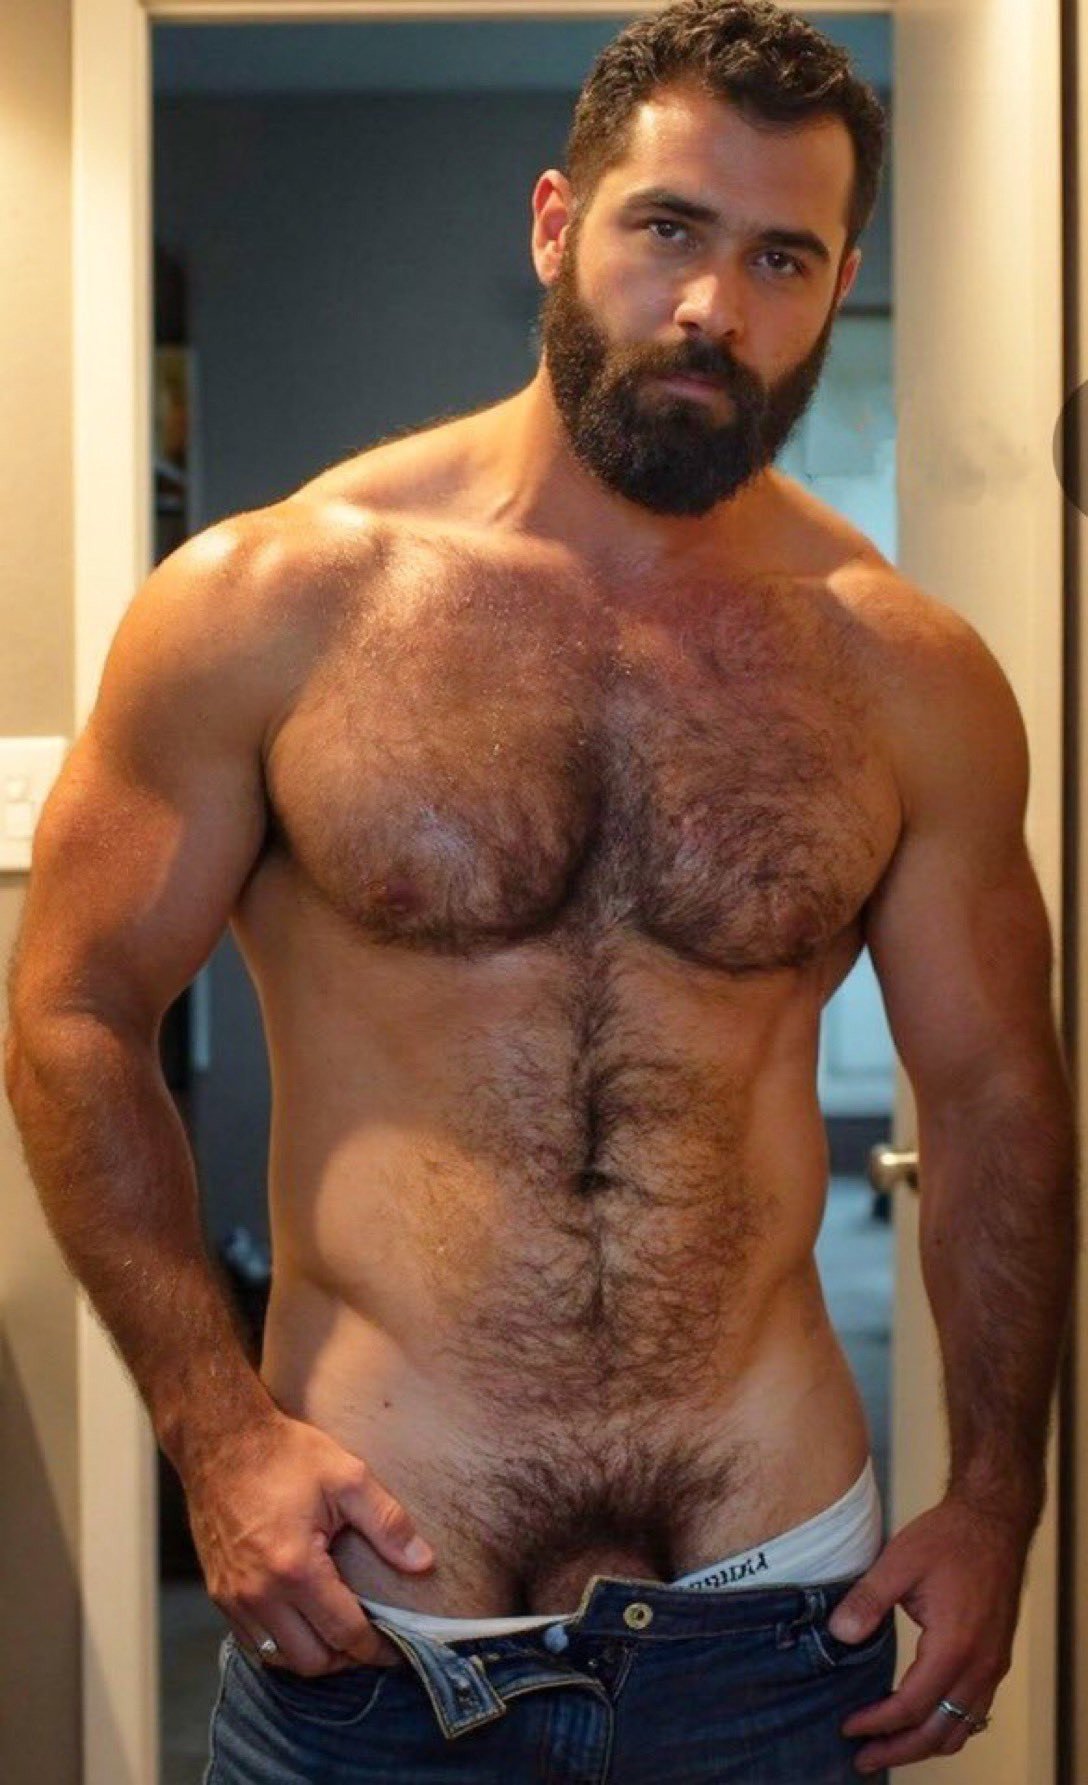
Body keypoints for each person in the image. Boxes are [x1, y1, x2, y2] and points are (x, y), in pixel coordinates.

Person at [5, 1, 1078, 1780]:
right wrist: (211, 1430)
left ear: (838, 283)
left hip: (773, 1624)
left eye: (782, 258)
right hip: (373, 1632)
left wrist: (996, 1498)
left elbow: (991, 1097)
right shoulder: (272, 602)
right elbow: (73, 1012)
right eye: (669, 227)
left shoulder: (905, 671)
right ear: (557, 223)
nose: (713, 306)